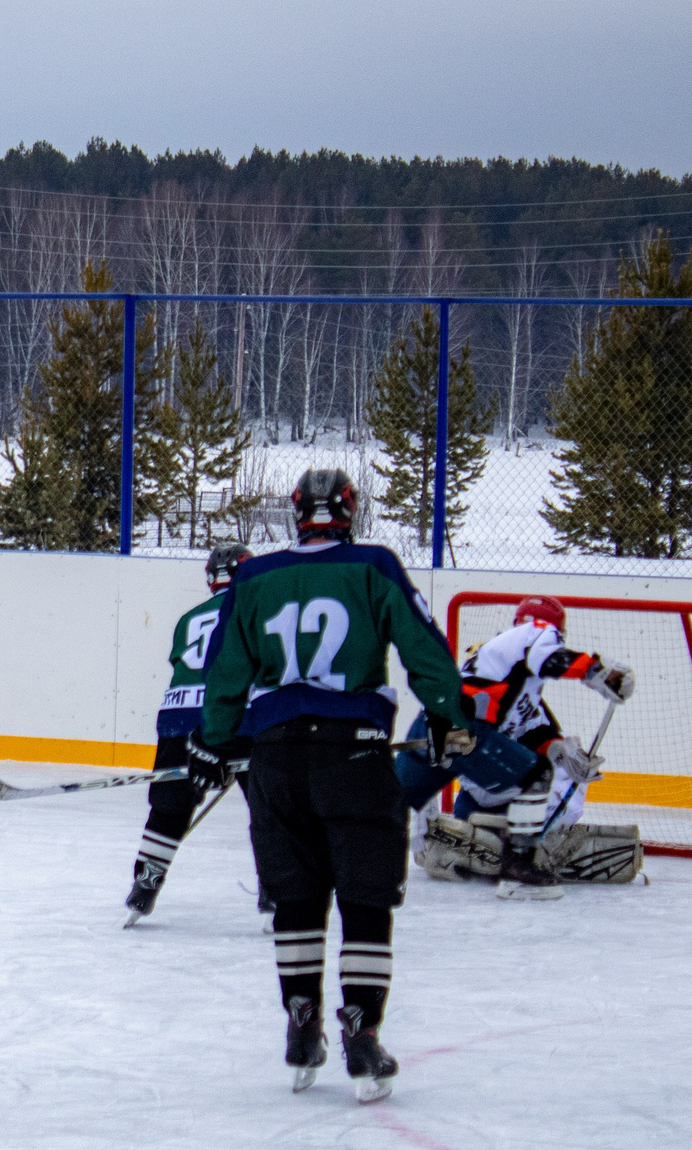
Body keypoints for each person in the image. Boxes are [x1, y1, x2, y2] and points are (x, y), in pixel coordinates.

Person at [183, 468, 475, 1101]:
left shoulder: (254, 577)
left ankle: (301, 1025)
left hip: (276, 760)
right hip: (354, 756)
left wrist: (213, 739)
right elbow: (424, 650)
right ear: (348, 512)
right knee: (365, 898)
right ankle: (360, 1034)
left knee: (295, 897)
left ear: (297, 513)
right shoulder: (373, 565)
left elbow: (226, 670)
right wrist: (449, 717)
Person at [398, 594, 636, 899]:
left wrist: (562, 753)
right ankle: (518, 871)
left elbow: (533, 729)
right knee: (538, 775)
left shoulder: (509, 670)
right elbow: (550, 660)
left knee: (391, 799)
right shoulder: (536, 632)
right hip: (465, 733)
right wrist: (599, 672)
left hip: (433, 727)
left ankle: (372, 856)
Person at [125, 539, 252, 925]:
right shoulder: (257, 608)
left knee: (170, 804)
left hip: (178, 716)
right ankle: (277, 890)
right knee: (273, 804)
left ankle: (146, 882)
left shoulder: (188, 618)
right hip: (238, 714)